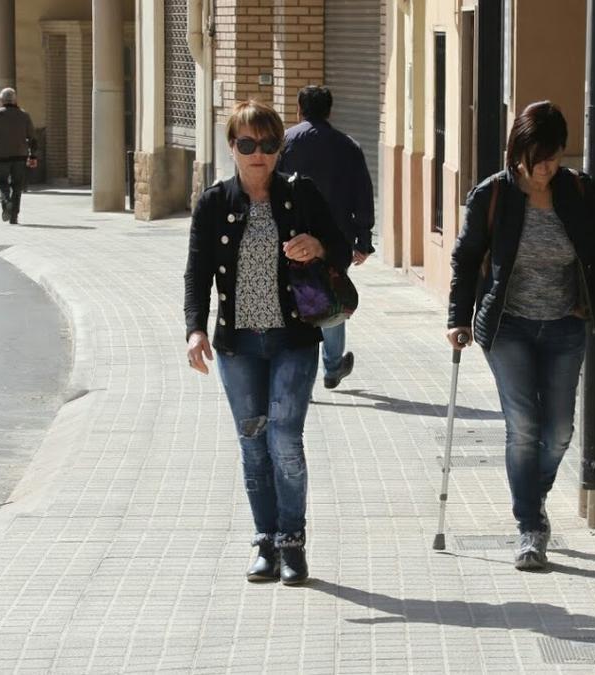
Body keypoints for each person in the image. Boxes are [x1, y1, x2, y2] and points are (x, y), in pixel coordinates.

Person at [184, 100, 351, 585]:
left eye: (269, 144)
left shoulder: (302, 195)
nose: (258, 154)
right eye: (247, 144)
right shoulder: (215, 203)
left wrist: (318, 246)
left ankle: (291, 542)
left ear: (280, 147)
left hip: (294, 339)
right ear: (232, 147)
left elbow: (341, 247)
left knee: (285, 440)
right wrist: (195, 328)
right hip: (238, 346)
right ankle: (264, 540)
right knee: (253, 443)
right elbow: (196, 272)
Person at [446, 100, 595, 571]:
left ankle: (532, 496)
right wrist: (458, 317)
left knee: (559, 432)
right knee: (524, 427)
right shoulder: (493, 195)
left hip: (564, 324)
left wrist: (590, 308)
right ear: (517, 152)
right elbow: (465, 258)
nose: (545, 168)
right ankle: (530, 527)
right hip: (509, 325)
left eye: (553, 157)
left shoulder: (579, 191)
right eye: (536, 158)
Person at [277, 85, 375, 390]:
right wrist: (363, 239)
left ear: (299, 109)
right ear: (330, 111)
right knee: (332, 294)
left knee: (294, 299)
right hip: (337, 239)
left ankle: (298, 373)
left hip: (293, 236)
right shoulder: (348, 146)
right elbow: (363, 193)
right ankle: (332, 367)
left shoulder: (285, 143)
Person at [0, 88, 39, 224]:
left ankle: (6, 201)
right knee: (17, 185)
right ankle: (14, 216)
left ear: (1, 100)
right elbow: (32, 137)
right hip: (20, 155)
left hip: (1, 155)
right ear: (15, 100)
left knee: (1, 183)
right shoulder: (24, 115)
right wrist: (33, 156)